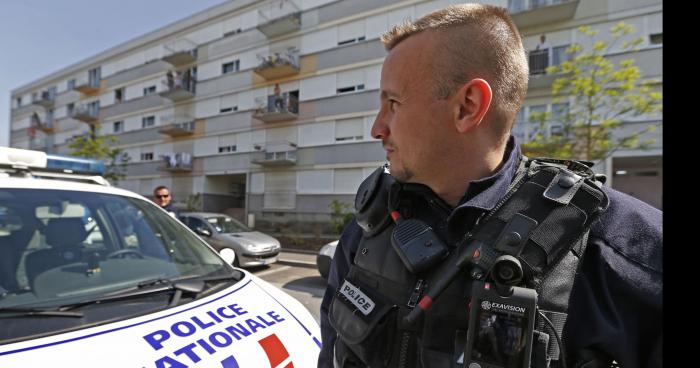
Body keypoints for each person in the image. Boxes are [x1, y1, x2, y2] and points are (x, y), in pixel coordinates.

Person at [318, 4, 661, 368]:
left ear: (468, 106)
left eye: (393, 103)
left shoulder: (619, 251)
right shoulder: (369, 228)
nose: (377, 128)